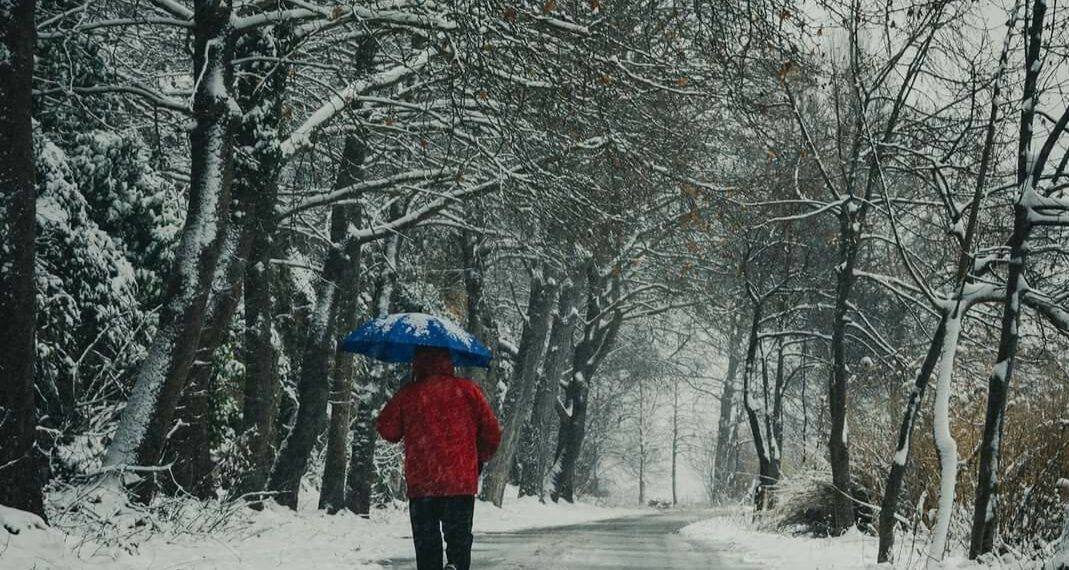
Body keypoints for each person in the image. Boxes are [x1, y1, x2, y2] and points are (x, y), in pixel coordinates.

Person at [377, 346, 502, 570]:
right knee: (459, 542)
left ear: (417, 361)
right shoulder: (468, 391)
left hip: (423, 484)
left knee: (427, 548)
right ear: (448, 360)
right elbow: (492, 432)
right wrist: (479, 460)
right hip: (460, 482)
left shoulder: (409, 394)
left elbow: (388, 430)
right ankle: (455, 565)